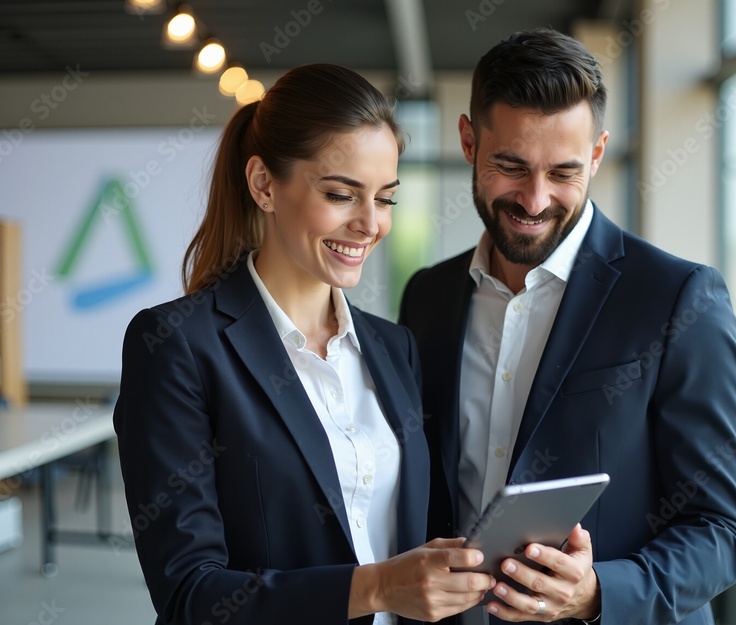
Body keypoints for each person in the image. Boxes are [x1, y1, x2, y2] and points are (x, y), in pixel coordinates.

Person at [114, 64, 495, 625]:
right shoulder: (176, 346)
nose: (370, 224)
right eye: (342, 194)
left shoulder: (394, 348)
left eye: (386, 198)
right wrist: (375, 588)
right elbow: (190, 595)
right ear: (264, 184)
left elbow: (423, 539)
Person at [399, 29, 736, 624]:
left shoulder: (678, 299)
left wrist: (597, 595)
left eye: (563, 172)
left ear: (597, 153)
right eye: (511, 165)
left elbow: (723, 531)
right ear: (468, 140)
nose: (535, 200)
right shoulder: (428, 297)